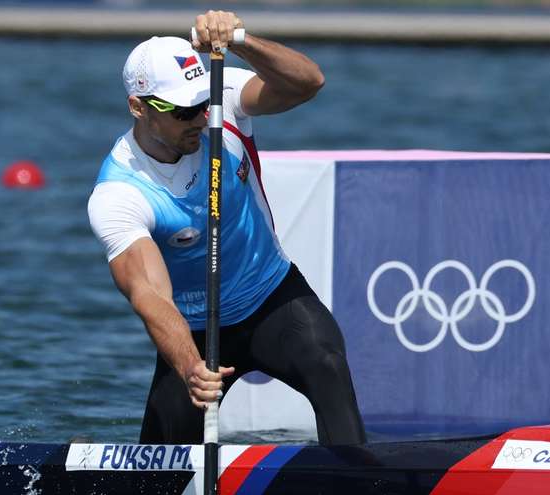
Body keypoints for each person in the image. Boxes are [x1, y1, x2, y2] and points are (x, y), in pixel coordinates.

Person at [88, 10, 366, 446]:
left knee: (326, 361)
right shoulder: (120, 193)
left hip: (272, 298)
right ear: (138, 107)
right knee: (156, 487)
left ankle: (358, 485)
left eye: (203, 104)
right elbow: (150, 295)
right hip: (194, 331)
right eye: (184, 111)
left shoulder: (224, 96)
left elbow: (308, 82)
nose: (201, 119)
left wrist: (240, 40)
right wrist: (188, 366)